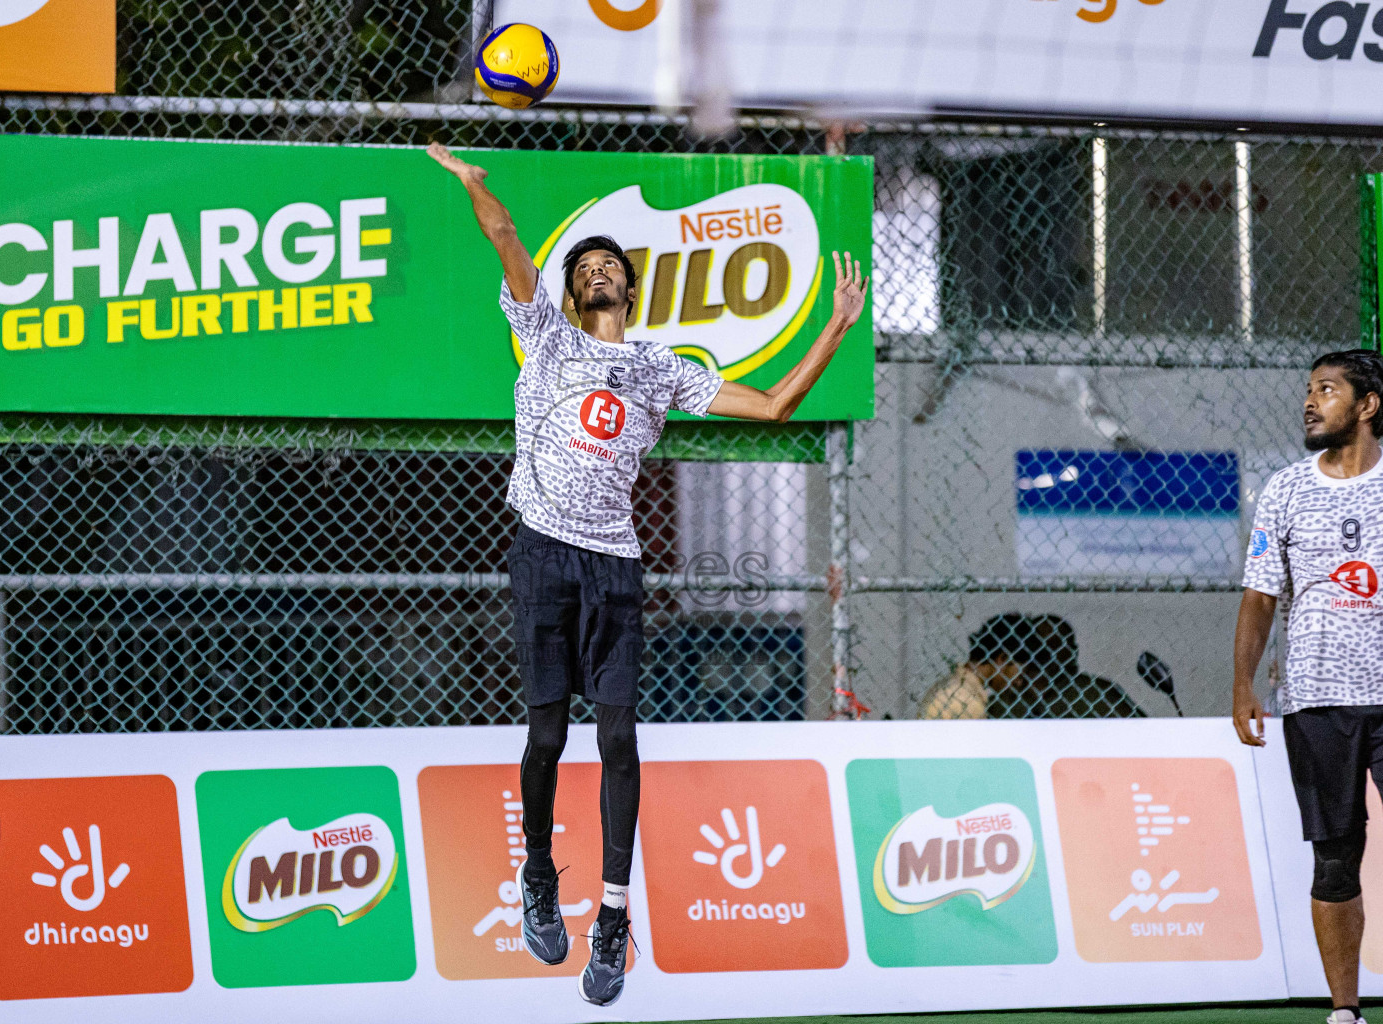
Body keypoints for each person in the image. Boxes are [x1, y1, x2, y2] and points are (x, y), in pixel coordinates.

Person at [427, 141, 866, 1006]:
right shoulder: (542, 335)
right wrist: (478, 189)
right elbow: (508, 237)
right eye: (583, 265)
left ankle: (614, 916)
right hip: (542, 552)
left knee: (620, 740)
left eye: (607, 266)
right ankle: (541, 877)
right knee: (548, 737)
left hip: (616, 566)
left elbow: (776, 406)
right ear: (568, 290)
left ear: (628, 290)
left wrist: (836, 326)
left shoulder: (659, 365)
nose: (594, 272)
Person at [1235, 349, 1383, 1024]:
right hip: (1317, 701)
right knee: (1334, 859)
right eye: (1308, 390)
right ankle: (1346, 1011)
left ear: (1367, 405)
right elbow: (1261, 598)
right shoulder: (1285, 490)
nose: (1309, 401)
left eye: (1326, 389)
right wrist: (1243, 684)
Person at [918, 612, 1142, 719]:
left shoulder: (1097, 693)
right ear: (1002, 660)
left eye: (1060, 645)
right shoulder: (971, 701)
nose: (1019, 680)